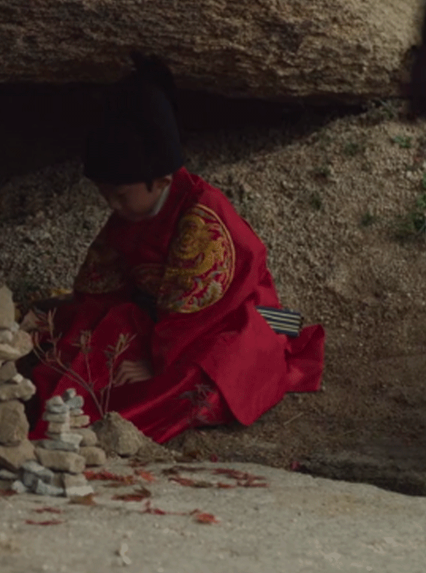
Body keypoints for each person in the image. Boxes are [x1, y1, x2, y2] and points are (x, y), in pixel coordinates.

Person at [25, 53, 325, 444]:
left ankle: (112, 427)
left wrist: (153, 361)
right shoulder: (130, 214)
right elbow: (102, 290)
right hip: (165, 319)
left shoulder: (202, 217)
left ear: (161, 180)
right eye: (104, 196)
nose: (111, 207)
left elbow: (193, 318)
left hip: (233, 316)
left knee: (206, 373)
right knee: (91, 339)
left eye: (118, 195)